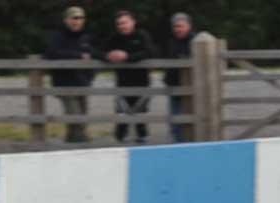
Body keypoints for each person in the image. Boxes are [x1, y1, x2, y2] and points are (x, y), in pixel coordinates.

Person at [44, 6, 101, 143]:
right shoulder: (58, 36)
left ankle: (70, 144)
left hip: (82, 83)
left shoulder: (85, 37)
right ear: (66, 20)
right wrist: (78, 56)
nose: (77, 21)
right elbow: (51, 53)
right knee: (77, 119)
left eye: (80, 18)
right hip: (65, 84)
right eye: (74, 18)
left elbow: (94, 54)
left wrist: (92, 74)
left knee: (80, 118)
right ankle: (83, 145)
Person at [104, 10, 156, 143]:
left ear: (133, 22)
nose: (122, 26)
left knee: (140, 118)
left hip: (142, 83)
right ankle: (119, 142)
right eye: (119, 23)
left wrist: (127, 57)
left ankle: (143, 143)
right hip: (122, 84)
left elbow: (150, 52)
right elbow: (100, 51)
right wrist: (109, 56)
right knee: (122, 119)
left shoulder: (142, 35)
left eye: (125, 22)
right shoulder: (114, 38)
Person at [164, 12, 195, 142]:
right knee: (175, 123)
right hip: (174, 89)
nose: (178, 29)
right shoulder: (172, 42)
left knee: (190, 122)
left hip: (191, 91)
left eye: (181, 26)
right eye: (176, 26)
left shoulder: (194, 41)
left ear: (189, 26)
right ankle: (178, 147)